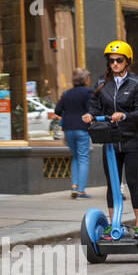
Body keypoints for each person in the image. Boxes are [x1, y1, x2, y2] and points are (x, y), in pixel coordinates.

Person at [83, 40, 138, 232]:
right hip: (110, 140)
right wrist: (90, 115)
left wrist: (124, 115)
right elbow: (95, 107)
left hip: (133, 140)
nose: (114, 64)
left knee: (132, 181)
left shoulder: (137, 83)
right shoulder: (102, 83)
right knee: (112, 183)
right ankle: (113, 224)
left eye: (118, 60)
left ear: (127, 61)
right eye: (111, 61)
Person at [51, 68, 93, 199]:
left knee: (75, 157)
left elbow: (57, 110)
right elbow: (91, 109)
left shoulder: (66, 93)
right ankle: (81, 191)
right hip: (82, 128)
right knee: (83, 158)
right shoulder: (88, 92)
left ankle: (74, 187)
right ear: (85, 80)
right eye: (88, 78)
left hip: (68, 129)